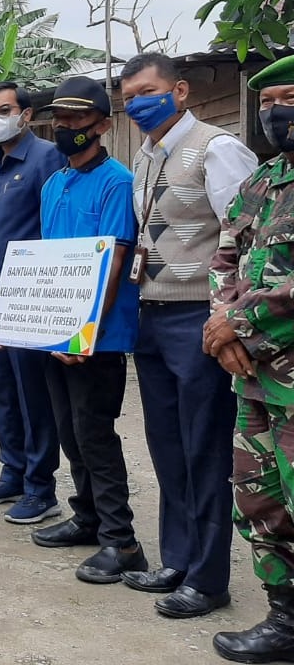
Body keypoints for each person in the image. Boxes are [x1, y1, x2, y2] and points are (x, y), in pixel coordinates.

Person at [120, 53, 256, 618]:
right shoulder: (146, 156)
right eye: (128, 97)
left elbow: (247, 237)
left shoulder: (218, 148)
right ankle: (177, 558)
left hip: (200, 318)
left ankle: (208, 577)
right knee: (167, 444)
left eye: (147, 92)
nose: (136, 104)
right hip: (152, 316)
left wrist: (231, 319)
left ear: (179, 91)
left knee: (204, 449)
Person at [27, 76, 147, 584]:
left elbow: (115, 258)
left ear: (103, 124)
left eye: (78, 119)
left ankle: (122, 542)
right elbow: (49, 263)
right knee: (67, 431)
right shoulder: (54, 182)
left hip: (97, 334)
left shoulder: (117, 181)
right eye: (61, 118)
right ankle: (88, 516)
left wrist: (86, 331)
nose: (67, 126)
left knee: (95, 432)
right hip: (58, 330)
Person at [206, 54, 294, 662]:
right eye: (265, 104)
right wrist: (224, 330)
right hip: (255, 376)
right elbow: (225, 259)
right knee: (260, 496)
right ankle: (285, 619)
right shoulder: (260, 184)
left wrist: (234, 323)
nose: (275, 113)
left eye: (285, 98)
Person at [0, 82, 65, 523]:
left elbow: (55, 227)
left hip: (27, 298)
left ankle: (40, 486)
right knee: (1, 390)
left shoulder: (46, 158)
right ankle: (13, 469)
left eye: (3, 110)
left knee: (32, 394)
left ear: (26, 114)